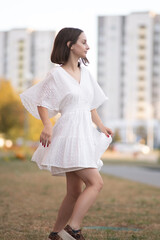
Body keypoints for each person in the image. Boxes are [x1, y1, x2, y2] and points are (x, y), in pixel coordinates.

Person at [20, 27, 113, 240]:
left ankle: (55, 234)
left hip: (84, 133)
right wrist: (47, 125)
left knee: (74, 192)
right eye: (83, 41)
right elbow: (42, 103)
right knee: (96, 183)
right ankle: (73, 229)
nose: (88, 46)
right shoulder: (56, 75)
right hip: (69, 133)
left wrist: (101, 125)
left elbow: (90, 106)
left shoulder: (86, 73)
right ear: (70, 45)